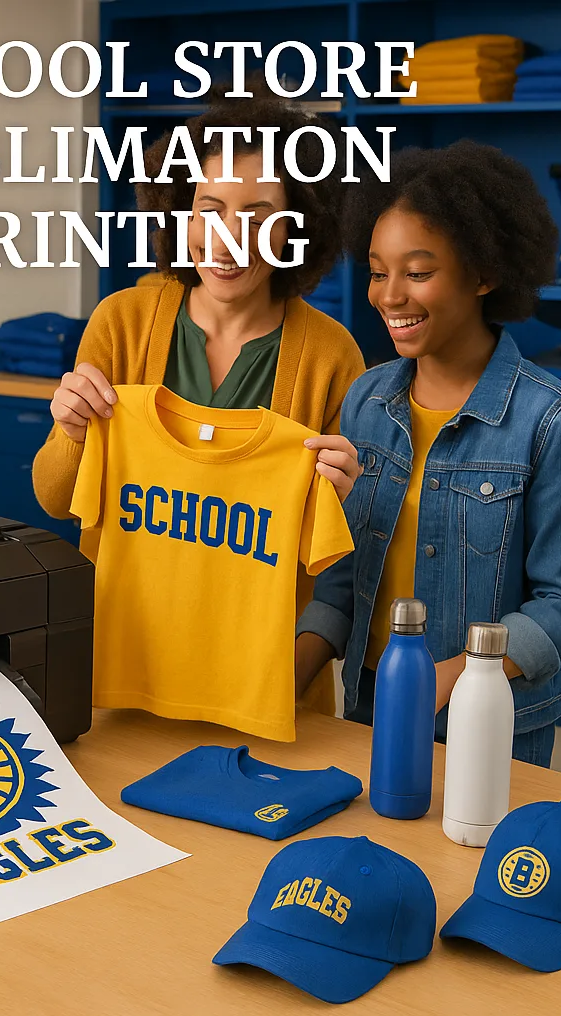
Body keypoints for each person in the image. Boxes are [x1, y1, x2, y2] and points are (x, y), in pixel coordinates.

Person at [32, 96, 366, 720]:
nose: (228, 238)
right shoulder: (122, 323)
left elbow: (344, 562)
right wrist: (71, 430)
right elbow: (55, 500)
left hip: (262, 689)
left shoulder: (330, 356)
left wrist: (348, 495)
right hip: (123, 677)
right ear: (180, 213)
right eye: (209, 209)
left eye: (259, 216)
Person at [294, 139, 561, 767]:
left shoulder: (550, 420)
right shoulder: (365, 402)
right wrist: (283, 677)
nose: (389, 296)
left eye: (417, 273)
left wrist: (452, 677)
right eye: (378, 272)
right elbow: (342, 583)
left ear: (484, 274)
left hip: (490, 728)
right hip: (369, 710)